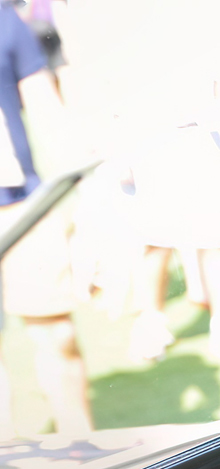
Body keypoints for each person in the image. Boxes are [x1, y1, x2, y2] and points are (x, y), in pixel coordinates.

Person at [0, 0, 90, 438]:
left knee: (58, 336)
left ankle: (86, 462)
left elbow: (46, 108)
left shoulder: (4, 19)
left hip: (21, 207)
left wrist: (85, 200)